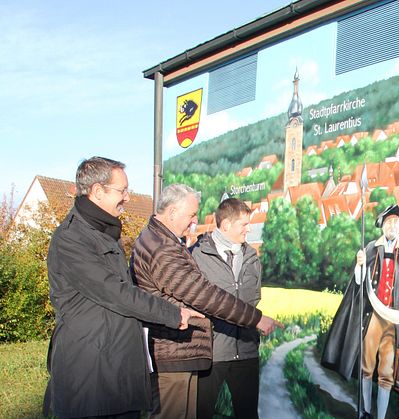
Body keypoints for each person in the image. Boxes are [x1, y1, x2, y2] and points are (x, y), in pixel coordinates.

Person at [44, 157, 205, 419]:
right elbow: (117, 293)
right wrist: (173, 313)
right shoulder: (71, 239)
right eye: (122, 191)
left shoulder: (102, 232)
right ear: (98, 191)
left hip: (114, 372)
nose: (128, 198)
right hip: (91, 379)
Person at [130, 184, 282, 419]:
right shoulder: (167, 248)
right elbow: (205, 296)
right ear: (172, 212)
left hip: (198, 351)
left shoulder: (251, 257)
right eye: (191, 214)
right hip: (182, 349)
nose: (194, 221)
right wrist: (256, 319)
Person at [322, 204, 399, 419]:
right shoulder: (372, 248)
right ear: (382, 226)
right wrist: (360, 265)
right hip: (374, 314)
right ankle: (365, 411)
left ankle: (380, 416)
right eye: (388, 222)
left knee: (387, 372)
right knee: (367, 366)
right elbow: (359, 281)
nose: (392, 226)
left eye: (395, 222)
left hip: (394, 320)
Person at [191, 198, 266, 419]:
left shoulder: (252, 258)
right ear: (225, 225)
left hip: (246, 351)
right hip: (212, 353)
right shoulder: (197, 256)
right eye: (244, 224)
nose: (249, 228)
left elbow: (255, 298)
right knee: (202, 413)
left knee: (248, 414)